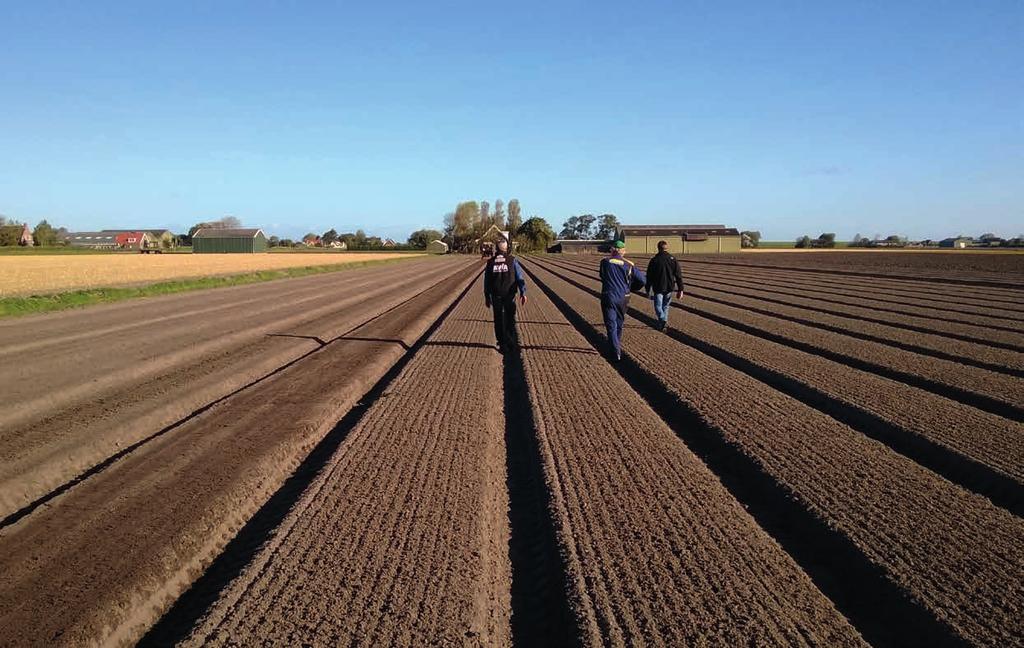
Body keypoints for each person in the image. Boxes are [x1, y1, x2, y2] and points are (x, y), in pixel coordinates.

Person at [599, 240, 646, 361]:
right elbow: (642, 280)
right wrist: (631, 288)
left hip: (609, 296)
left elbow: (602, 277)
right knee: (619, 323)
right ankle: (616, 347)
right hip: (623, 297)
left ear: (612, 250)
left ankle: (615, 351)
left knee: (611, 324)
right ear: (621, 251)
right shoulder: (629, 265)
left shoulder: (605, 262)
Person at [484, 238, 527, 354]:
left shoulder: (490, 262)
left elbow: (487, 281)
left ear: (496, 249)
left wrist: (487, 296)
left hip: (496, 294)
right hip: (509, 294)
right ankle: (510, 340)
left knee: (498, 319)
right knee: (510, 318)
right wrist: (523, 292)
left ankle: (502, 343)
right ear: (506, 248)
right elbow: (519, 277)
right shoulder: (512, 260)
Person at [644, 240, 684, 331]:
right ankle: (663, 322)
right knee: (665, 306)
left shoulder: (654, 260)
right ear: (667, 248)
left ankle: (662, 320)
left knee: (658, 306)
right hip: (670, 287)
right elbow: (678, 275)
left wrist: (647, 288)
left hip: (658, 287)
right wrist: (680, 289)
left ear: (658, 248)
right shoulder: (673, 259)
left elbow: (649, 276)